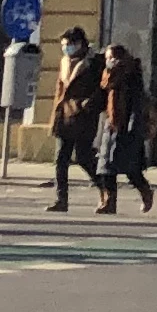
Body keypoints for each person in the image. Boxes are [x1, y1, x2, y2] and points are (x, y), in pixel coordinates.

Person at [96, 42, 157, 213]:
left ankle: (145, 192)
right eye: (107, 58)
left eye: (111, 58)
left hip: (128, 125)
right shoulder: (108, 75)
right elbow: (104, 93)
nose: (108, 61)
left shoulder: (130, 74)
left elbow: (137, 103)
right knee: (106, 167)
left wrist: (134, 126)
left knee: (131, 169)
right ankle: (110, 202)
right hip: (112, 123)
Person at [47, 26, 103, 211]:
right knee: (61, 159)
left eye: (68, 45)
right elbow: (60, 90)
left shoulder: (94, 63)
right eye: (63, 46)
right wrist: (55, 113)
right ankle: (61, 199)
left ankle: (105, 188)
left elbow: (101, 90)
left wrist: (88, 104)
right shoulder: (65, 62)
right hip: (64, 116)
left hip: (83, 117)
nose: (65, 49)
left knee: (83, 157)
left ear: (80, 44)